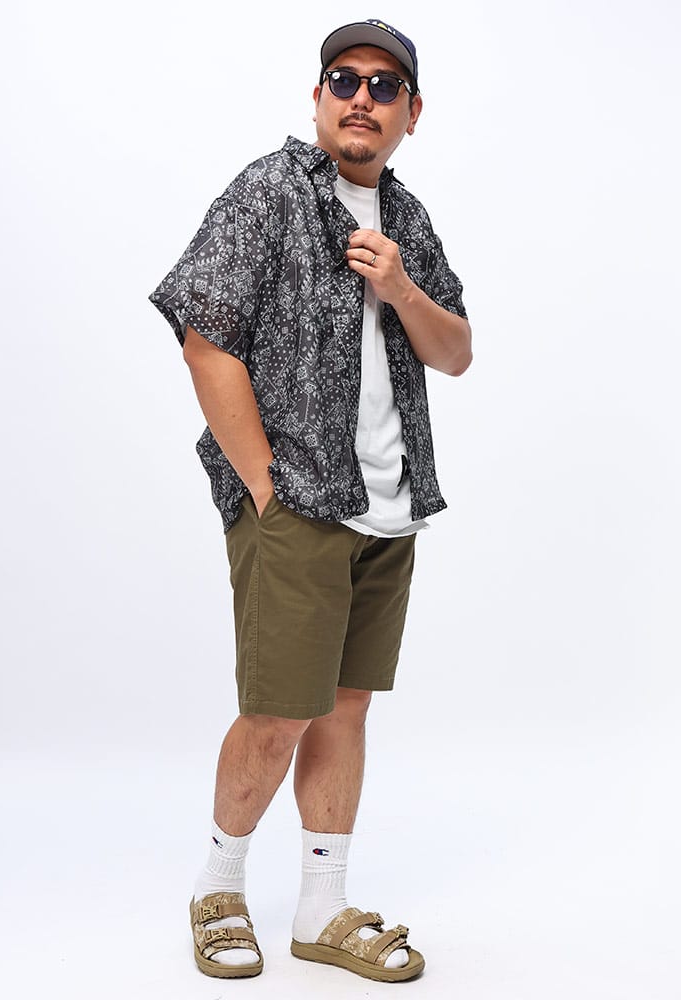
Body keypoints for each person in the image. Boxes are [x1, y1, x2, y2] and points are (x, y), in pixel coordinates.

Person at [149, 17, 472, 984]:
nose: (361, 98)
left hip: (390, 506)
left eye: (384, 85)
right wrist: (262, 485)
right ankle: (218, 888)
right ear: (320, 95)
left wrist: (402, 286)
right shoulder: (270, 191)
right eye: (344, 79)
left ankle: (321, 908)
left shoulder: (406, 217)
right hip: (297, 504)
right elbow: (204, 336)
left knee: (344, 710)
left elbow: (456, 351)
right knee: (278, 713)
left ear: (412, 112)